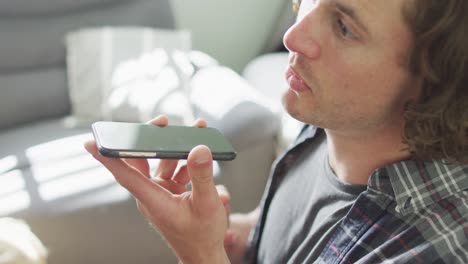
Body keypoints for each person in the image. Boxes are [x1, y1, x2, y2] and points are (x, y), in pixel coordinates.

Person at [85, 0, 468, 263]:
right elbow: (289, 237)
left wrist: (199, 255)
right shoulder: (328, 120)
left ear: (434, 80)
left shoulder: (426, 249)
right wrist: (218, 235)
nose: (293, 36)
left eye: (344, 27)